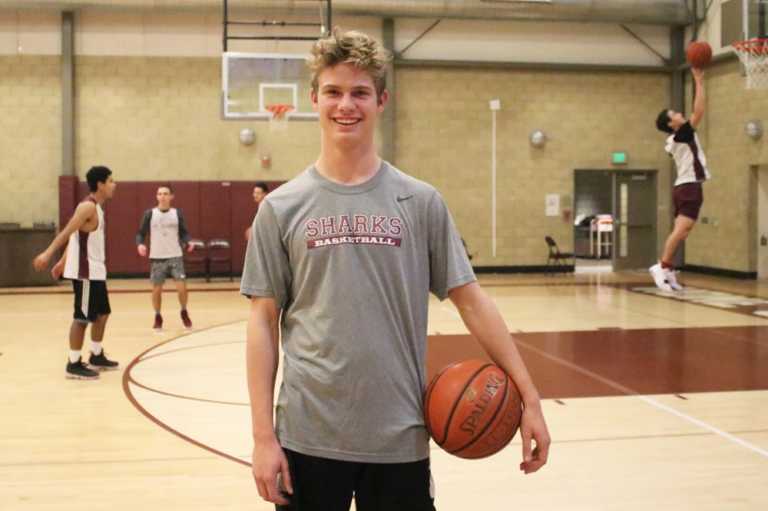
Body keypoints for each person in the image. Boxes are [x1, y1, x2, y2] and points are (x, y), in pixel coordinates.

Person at [241, 30, 550, 511]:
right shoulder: (281, 208)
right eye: (334, 92)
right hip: (306, 436)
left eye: (360, 92)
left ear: (381, 100)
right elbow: (262, 322)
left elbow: (472, 301)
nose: (347, 105)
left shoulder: (420, 201)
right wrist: (263, 437)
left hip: (401, 436)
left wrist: (529, 397)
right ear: (313, 99)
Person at [32, 166, 119, 380]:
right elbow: (68, 231)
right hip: (85, 273)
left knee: (103, 313)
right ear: (100, 184)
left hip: (97, 271)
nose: (113, 185)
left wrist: (62, 261)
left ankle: (96, 355)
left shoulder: (97, 207)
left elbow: (76, 238)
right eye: (110, 181)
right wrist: (48, 253)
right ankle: (73, 363)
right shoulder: (86, 207)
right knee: (82, 318)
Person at [651, 67, 711, 292]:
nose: (679, 114)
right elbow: (699, 111)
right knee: (681, 231)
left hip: (685, 187)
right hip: (688, 187)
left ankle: (668, 270)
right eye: (674, 113)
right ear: (671, 124)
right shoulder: (680, 134)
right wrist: (698, 81)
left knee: (682, 231)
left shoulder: (674, 138)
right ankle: (662, 266)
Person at [135, 184, 194, 330]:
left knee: (182, 287)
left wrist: (188, 241)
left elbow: (184, 232)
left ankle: (184, 311)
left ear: (171, 196)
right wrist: (140, 244)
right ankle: (157, 315)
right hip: (157, 257)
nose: (162, 196)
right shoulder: (150, 213)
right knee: (157, 290)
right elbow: (140, 233)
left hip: (175, 256)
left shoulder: (177, 213)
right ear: (156, 196)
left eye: (166, 193)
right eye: (160, 194)